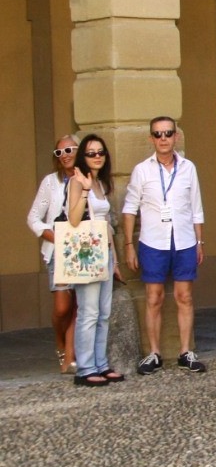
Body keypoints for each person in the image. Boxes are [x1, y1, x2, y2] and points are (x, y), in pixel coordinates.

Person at [124, 116, 207, 375]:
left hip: (183, 240)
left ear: (176, 136)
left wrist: (199, 242)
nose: (163, 139)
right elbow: (130, 209)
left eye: (168, 133)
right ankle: (154, 353)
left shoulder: (188, 168)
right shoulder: (142, 170)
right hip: (153, 241)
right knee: (154, 298)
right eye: (158, 134)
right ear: (151, 138)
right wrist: (128, 245)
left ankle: (185, 352)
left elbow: (196, 208)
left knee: (185, 297)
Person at [65, 135, 125, 387]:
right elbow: (74, 219)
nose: (97, 156)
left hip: (105, 254)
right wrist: (85, 189)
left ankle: (100, 363)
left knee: (103, 313)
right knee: (88, 313)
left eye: (100, 152)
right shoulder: (78, 182)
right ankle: (85, 368)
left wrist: (116, 260)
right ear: (83, 157)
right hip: (87, 255)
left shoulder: (102, 182)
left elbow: (106, 226)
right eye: (91, 153)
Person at [28, 135, 80, 374]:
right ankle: (60, 343)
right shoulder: (50, 182)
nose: (65, 155)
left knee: (78, 305)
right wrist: (56, 238)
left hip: (83, 250)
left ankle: (70, 357)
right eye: (59, 152)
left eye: (69, 149)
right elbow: (33, 218)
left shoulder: (87, 178)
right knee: (62, 307)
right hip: (58, 251)